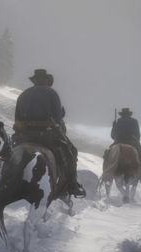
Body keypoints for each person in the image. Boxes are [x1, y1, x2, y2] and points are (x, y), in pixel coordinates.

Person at [14, 69, 86, 197]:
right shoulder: (52, 93)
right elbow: (58, 119)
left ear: (34, 80)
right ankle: (72, 185)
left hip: (24, 135)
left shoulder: (23, 94)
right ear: (46, 80)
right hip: (47, 134)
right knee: (71, 151)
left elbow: (17, 118)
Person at [111, 108, 141, 183]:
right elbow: (137, 134)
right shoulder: (134, 121)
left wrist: (114, 126)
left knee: (108, 153)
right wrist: (137, 141)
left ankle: (108, 172)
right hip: (131, 142)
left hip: (118, 142)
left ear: (122, 114)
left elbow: (112, 135)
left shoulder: (117, 121)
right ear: (129, 114)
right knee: (140, 155)